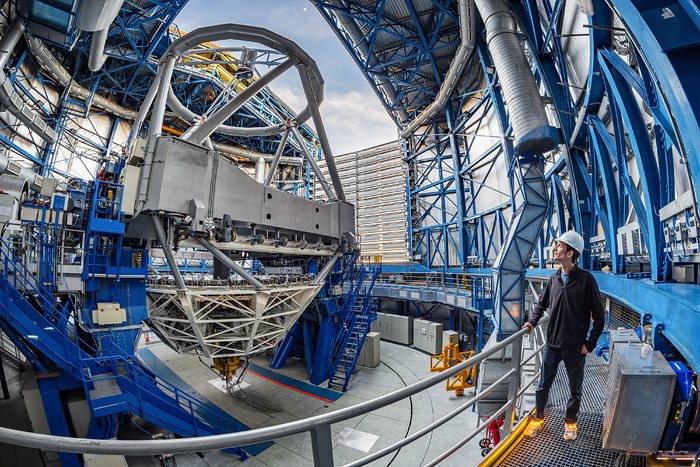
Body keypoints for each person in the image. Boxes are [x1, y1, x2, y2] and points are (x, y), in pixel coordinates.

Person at [523, 230, 604, 441]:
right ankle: (538, 419)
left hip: (575, 348)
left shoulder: (587, 280)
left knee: (574, 390)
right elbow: (541, 305)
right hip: (552, 344)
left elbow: (599, 315)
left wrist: (591, 343)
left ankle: (570, 423)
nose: (555, 249)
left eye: (559, 246)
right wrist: (531, 322)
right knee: (543, 386)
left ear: (570, 253)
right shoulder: (554, 279)